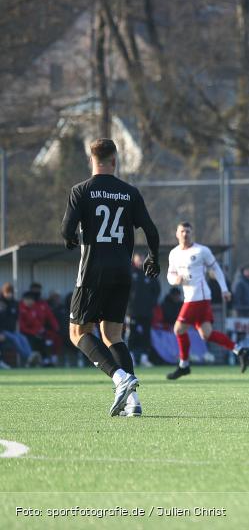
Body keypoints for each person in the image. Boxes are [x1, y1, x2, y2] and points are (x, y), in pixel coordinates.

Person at [61, 138, 160, 416]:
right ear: (115, 161)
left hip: (93, 270)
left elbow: (67, 229)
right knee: (112, 334)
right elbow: (151, 230)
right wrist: (154, 257)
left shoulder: (81, 190)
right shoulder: (129, 192)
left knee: (78, 332)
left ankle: (121, 379)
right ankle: (133, 402)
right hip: (122, 270)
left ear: (91, 160)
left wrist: (70, 238)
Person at [165, 221, 249, 379]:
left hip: (199, 297)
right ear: (177, 233)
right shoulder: (174, 253)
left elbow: (216, 269)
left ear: (192, 233)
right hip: (193, 297)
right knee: (206, 334)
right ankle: (239, 350)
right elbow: (170, 275)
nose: (185, 234)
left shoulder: (201, 251)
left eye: (188, 231)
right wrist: (175, 280)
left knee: (178, 329)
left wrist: (225, 289)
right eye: (182, 231)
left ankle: (184, 365)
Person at [128, 253, 161, 367]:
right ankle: (130, 358)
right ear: (134, 259)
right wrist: (127, 308)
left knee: (146, 335)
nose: (141, 260)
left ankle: (144, 358)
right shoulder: (130, 273)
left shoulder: (150, 273)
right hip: (132, 312)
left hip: (147, 312)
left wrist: (152, 304)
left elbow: (156, 290)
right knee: (131, 334)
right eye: (139, 257)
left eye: (142, 258)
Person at [19, 290, 59, 367]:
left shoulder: (32, 309)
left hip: (34, 333)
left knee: (46, 340)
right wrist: (34, 332)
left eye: (33, 300)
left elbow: (37, 323)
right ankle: (32, 360)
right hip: (25, 333)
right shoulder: (21, 310)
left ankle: (46, 360)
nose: (32, 302)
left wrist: (40, 330)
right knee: (37, 340)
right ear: (25, 300)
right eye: (30, 300)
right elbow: (22, 327)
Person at [0, 283, 30, 365]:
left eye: (10, 292)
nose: (9, 294)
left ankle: (31, 356)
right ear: (3, 292)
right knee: (15, 339)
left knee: (23, 338)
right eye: (7, 292)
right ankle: (27, 357)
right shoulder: (1, 303)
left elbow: (16, 318)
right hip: (3, 331)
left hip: (12, 330)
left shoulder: (14, 303)